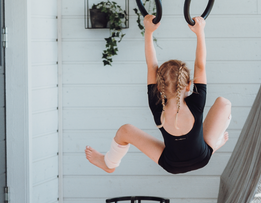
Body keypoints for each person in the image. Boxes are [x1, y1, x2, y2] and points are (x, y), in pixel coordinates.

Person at [85, 15, 232, 174]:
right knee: (224, 103)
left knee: (124, 131)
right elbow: (200, 65)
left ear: (159, 87)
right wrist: (200, 32)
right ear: (189, 85)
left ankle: (109, 163)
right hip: (202, 158)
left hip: (172, 164)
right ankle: (212, 145)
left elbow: (151, 65)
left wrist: (148, 32)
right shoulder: (197, 101)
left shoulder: (156, 104)